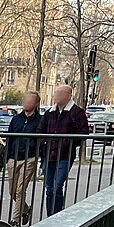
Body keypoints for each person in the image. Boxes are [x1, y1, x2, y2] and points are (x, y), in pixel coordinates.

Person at [39, 84, 91, 216]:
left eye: (60, 93)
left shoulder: (77, 112)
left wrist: (68, 143)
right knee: (49, 188)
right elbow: (40, 131)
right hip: (48, 154)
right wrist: (44, 143)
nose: (56, 95)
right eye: (56, 92)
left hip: (64, 155)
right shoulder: (50, 112)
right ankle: (50, 215)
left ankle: (56, 214)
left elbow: (83, 132)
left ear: (69, 95)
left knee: (57, 187)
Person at [5, 91, 42, 226]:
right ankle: (26, 209)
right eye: (25, 100)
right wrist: (7, 157)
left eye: (30, 100)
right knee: (12, 192)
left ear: (36, 103)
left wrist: (40, 159)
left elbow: (41, 141)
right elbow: (10, 138)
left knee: (21, 190)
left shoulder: (39, 121)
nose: (26, 103)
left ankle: (15, 220)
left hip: (29, 158)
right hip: (13, 158)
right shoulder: (16, 119)